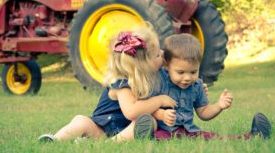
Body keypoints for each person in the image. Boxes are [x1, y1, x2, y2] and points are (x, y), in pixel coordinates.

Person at [38, 24, 177, 142]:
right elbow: (131, 111)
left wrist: (196, 86)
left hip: (124, 129)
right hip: (101, 129)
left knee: (147, 122)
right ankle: (55, 139)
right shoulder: (122, 83)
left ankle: (99, 142)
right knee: (81, 121)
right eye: (158, 54)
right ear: (143, 64)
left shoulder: (155, 75)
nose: (163, 53)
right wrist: (160, 100)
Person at [138, 33, 271, 140]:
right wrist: (161, 114)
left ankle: (253, 136)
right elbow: (146, 107)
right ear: (166, 65)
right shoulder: (159, 80)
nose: (187, 78)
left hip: (189, 132)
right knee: (157, 137)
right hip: (164, 130)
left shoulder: (196, 86)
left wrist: (219, 105)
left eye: (193, 72)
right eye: (180, 72)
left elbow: (203, 113)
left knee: (212, 138)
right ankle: (145, 137)